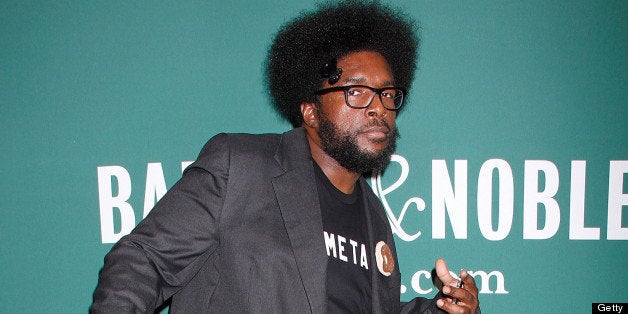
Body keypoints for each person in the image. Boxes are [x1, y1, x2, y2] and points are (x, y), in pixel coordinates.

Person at [91, 1, 480, 313]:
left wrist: (446, 310)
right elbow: (146, 261)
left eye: (388, 94)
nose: (379, 108)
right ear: (310, 111)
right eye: (356, 92)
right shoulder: (239, 168)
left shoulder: (375, 217)